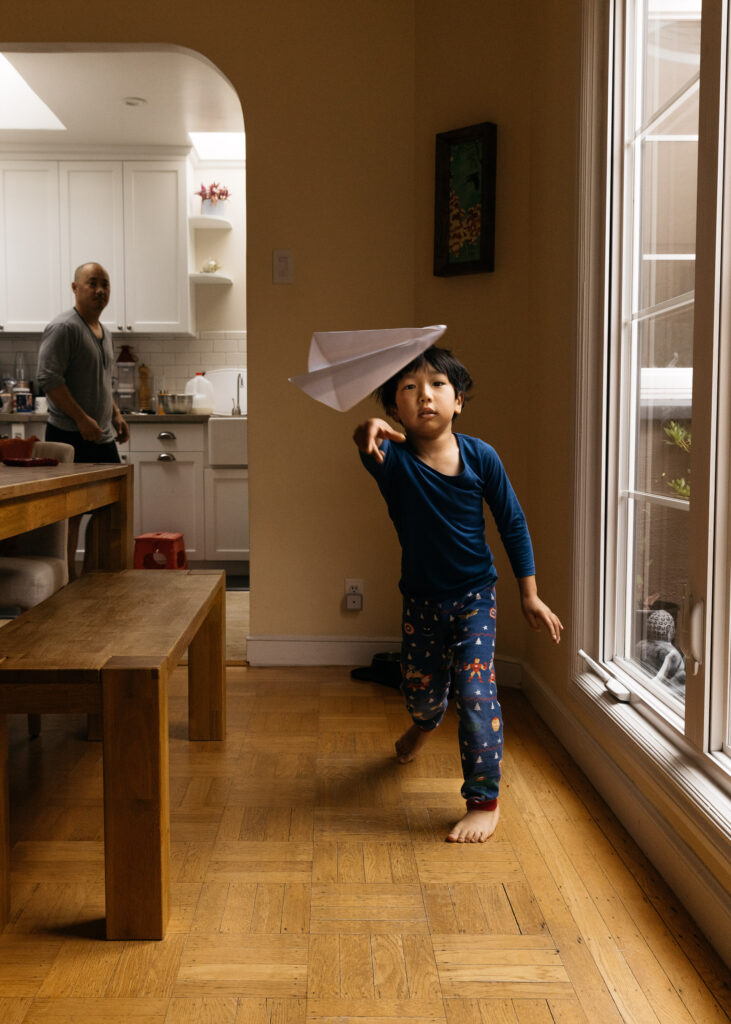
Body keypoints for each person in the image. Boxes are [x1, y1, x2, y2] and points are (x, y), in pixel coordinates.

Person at [353, 346, 563, 843]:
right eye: (408, 388)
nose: (424, 395)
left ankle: (483, 800)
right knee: (422, 695)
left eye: (437, 385)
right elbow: (365, 443)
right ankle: (425, 726)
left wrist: (529, 595)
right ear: (394, 410)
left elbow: (511, 523)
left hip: (475, 598)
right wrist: (363, 432)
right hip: (421, 601)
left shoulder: (480, 456)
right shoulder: (393, 462)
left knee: (474, 694)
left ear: (459, 400)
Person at [36, 262, 129, 577]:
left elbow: (101, 380)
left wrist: (114, 414)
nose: (100, 291)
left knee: (110, 509)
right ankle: (66, 583)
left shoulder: (105, 332)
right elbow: (48, 379)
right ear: (75, 288)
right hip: (69, 435)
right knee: (70, 514)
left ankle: (95, 579)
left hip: (101, 435)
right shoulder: (64, 328)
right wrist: (82, 420)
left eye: (105, 284)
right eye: (93, 283)